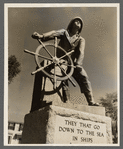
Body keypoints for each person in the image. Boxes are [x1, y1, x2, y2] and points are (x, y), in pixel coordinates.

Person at [32, 16, 99, 106]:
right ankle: (67, 100)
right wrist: (41, 36)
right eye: (76, 21)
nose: (78, 22)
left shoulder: (81, 39)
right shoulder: (64, 32)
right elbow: (53, 33)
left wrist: (78, 64)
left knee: (84, 77)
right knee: (63, 78)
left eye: (80, 22)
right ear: (71, 23)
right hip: (61, 61)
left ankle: (91, 101)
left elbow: (81, 52)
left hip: (74, 64)